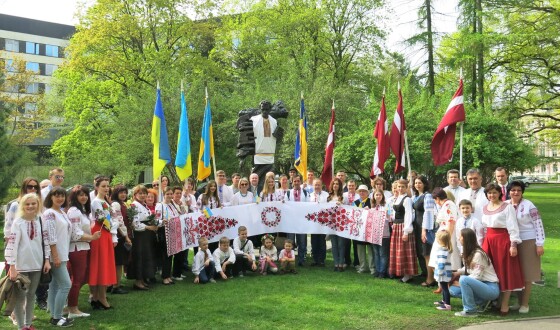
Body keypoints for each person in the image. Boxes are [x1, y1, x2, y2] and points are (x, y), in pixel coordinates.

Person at [5, 193, 51, 330]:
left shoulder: (41, 220)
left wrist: (47, 260)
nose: (30, 206)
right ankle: (21, 326)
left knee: (31, 295)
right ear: (23, 206)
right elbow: (12, 245)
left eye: (33, 203)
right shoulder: (18, 222)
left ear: (38, 205)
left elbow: (46, 241)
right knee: (20, 297)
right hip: (21, 266)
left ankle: (28, 324)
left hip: (37, 264)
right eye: (27, 204)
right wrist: (12, 266)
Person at [481, 183, 523, 316]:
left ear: (500, 193)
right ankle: (496, 301)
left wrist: (513, 245)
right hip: (488, 241)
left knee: (505, 273)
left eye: (494, 192)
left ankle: (504, 303)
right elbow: (484, 228)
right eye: (489, 193)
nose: (492, 195)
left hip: (503, 242)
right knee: (491, 272)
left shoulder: (507, 207)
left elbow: (513, 227)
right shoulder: (485, 208)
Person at [507, 180, 544, 314]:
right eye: (513, 190)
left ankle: (525, 304)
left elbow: (538, 224)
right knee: (515, 273)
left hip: (528, 241)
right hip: (512, 242)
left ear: (522, 192)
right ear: (509, 191)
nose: (515, 192)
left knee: (527, 275)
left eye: (518, 190)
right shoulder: (505, 205)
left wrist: (539, 243)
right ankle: (518, 301)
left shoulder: (529, 205)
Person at [67, 185, 101, 318]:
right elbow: (75, 234)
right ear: (74, 197)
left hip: (84, 246)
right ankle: (72, 308)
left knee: (83, 277)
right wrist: (92, 237)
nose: (84, 197)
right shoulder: (74, 211)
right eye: (80, 195)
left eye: (86, 194)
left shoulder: (82, 210)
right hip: (77, 247)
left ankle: (69, 303)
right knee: (77, 279)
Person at [43, 187, 73, 327]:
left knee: (55, 285)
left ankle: (54, 314)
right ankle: (57, 317)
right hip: (57, 254)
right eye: (57, 196)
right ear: (51, 197)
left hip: (63, 253)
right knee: (66, 285)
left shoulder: (62, 212)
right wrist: (55, 256)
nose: (60, 198)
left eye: (62, 196)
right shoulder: (49, 213)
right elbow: (50, 237)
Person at [453, 228, 500, 317]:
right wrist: (457, 273)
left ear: (466, 239)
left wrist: (460, 282)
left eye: (460, 236)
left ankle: (470, 310)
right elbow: (468, 268)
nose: (459, 238)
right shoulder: (470, 252)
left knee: (463, 280)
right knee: (453, 290)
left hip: (490, 288)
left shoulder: (478, 254)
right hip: (481, 285)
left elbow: (476, 276)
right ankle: (482, 302)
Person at [89, 176, 118, 310]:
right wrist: (113, 225)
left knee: (104, 264)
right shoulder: (96, 202)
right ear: (97, 187)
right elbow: (104, 220)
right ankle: (100, 297)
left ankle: (98, 297)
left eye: (107, 186)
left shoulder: (105, 201)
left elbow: (112, 217)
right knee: (100, 265)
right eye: (103, 186)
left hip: (106, 234)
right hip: (100, 233)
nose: (106, 188)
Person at [429, 188, 461, 293]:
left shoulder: (449, 205)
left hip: (447, 235)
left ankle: (447, 284)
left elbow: (451, 222)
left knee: (445, 260)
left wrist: (446, 239)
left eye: (435, 199)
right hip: (442, 233)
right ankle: (441, 283)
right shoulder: (445, 205)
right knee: (434, 261)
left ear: (437, 198)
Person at [128, 185, 158, 291]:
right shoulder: (134, 205)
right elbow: (134, 223)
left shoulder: (144, 205)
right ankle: (137, 281)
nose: (142, 195)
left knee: (145, 256)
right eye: (140, 193)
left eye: (144, 193)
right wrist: (149, 227)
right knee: (139, 257)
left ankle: (142, 280)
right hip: (139, 235)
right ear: (135, 195)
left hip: (146, 235)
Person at [388, 179, 418, 283]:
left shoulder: (407, 199)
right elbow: (395, 214)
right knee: (399, 251)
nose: (400, 189)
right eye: (398, 187)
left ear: (406, 188)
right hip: (396, 226)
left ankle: (408, 274)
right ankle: (402, 272)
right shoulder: (397, 198)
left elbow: (408, 215)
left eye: (402, 187)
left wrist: (406, 231)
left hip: (403, 226)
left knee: (405, 250)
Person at [412, 175, 436, 286]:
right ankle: (426, 273)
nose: (417, 185)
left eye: (420, 183)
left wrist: (424, 230)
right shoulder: (416, 196)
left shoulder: (428, 196)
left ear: (425, 184)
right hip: (417, 228)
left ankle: (431, 279)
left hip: (425, 228)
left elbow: (429, 213)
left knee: (427, 254)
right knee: (421, 253)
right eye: (416, 183)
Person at [109, 185, 132, 294]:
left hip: (120, 234)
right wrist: (126, 236)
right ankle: (116, 286)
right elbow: (119, 221)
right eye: (121, 192)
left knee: (119, 261)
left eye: (125, 192)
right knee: (118, 262)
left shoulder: (122, 204)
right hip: (119, 235)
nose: (123, 194)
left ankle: (113, 283)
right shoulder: (116, 204)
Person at [155, 187, 177, 285]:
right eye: (167, 194)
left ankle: (168, 275)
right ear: (164, 194)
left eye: (171, 194)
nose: (169, 196)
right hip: (163, 231)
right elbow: (156, 219)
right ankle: (164, 277)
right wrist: (161, 222)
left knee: (170, 254)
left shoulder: (172, 205)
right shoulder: (160, 205)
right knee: (165, 254)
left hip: (172, 230)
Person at [284, 174, 308, 265]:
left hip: (302, 221)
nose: (296, 183)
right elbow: (285, 205)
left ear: (301, 182)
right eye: (295, 181)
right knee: (290, 241)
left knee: (302, 241)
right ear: (292, 182)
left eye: (298, 181)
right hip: (291, 221)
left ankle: (301, 260)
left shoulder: (306, 193)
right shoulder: (288, 193)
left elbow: (309, 205)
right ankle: (289, 259)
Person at [354, 184, 374, 275]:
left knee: (370, 250)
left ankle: (372, 268)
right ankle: (362, 267)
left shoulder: (371, 201)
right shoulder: (355, 202)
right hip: (359, 229)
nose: (362, 193)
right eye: (360, 191)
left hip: (369, 229)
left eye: (364, 191)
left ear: (367, 193)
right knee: (360, 250)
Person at [371, 189, 391, 278]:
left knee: (383, 253)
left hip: (384, 233)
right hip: (374, 234)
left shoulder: (387, 206)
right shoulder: (372, 207)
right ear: (374, 196)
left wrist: (387, 215)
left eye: (379, 195)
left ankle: (382, 271)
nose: (378, 196)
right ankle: (378, 270)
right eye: (376, 195)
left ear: (382, 196)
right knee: (376, 252)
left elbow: (390, 218)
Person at [328, 178, 346, 272]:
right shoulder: (328, 197)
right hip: (331, 224)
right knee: (334, 244)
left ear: (339, 186)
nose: (335, 185)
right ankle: (336, 263)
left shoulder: (343, 197)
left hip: (341, 224)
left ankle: (341, 264)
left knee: (341, 244)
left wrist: (342, 204)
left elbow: (347, 209)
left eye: (337, 184)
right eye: (334, 184)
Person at [309, 178, 328, 266]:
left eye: (318, 185)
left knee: (322, 241)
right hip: (313, 222)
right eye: (315, 185)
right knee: (314, 241)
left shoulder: (326, 195)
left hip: (323, 222)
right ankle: (315, 259)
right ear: (313, 186)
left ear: (321, 185)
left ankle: (322, 260)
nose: (317, 186)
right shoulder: (310, 195)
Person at [434, 230, 454, 311]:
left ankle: (447, 305)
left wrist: (440, 272)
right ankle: (444, 301)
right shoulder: (445, 249)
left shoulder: (442, 251)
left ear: (440, 240)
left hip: (443, 273)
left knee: (445, 288)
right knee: (443, 287)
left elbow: (441, 263)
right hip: (445, 272)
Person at [170, 186, 188, 280]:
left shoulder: (182, 203)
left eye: (180, 193)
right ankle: (175, 274)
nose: (178, 195)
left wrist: (181, 205)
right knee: (177, 253)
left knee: (182, 253)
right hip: (174, 231)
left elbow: (185, 214)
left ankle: (179, 272)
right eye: (176, 193)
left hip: (182, 230)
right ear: (173, 194)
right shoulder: (170, 204)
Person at [343, 179, 359, 268]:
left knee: (356, 242)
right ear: (347, 186)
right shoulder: (343, 195)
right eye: (349, 186)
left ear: (355, 186)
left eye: (352, 186)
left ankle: (357, 262)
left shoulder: (358, 196)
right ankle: (347, 261)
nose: (351, 187)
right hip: (345, 221)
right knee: (346, 243)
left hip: (356, 221)